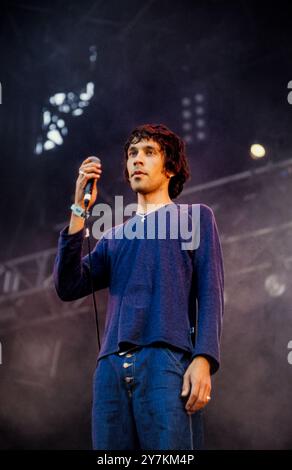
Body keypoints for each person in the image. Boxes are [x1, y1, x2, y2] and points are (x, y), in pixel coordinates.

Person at [53, 123, 224, 450]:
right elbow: (67, 284)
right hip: (110, 369)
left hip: (167, 361)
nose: (137, 160)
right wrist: (78, 211)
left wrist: (204, 358)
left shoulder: (195, 217)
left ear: (170, 167)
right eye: (132, 154)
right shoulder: (114, 236)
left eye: (148, 152)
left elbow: (212, 292)